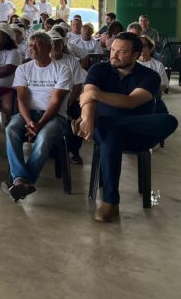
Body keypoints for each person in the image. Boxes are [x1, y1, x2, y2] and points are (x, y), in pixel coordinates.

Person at [74, 32, 177, 222]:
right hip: (106, 135)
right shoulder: (99, 69)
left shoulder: (150, 76)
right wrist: (87, 117)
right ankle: (110, 202)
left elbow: (131, 102)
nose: (113, 55)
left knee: (169, 121)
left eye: (121, 52)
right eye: (113, 49)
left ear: (135, 55)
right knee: (112, 135)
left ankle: (106, 122)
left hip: (137, 133)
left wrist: (96, 96)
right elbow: (88, 98)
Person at [2, 32, 72, 202]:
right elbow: (21, 98)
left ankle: (21, 181)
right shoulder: (23, 68)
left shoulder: (62, 69)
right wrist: (29, 121)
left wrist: (39, 124)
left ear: (49, 47)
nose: (32, 48)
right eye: (30, 45)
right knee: (11, 128)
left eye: (37, 44)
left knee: (44, 135)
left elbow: (56, 102)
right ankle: (22, 180)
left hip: (55, 116)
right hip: (28, 114)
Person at [48, 31, 88, 165]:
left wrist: (69, 102)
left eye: (57, 43)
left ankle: (74, 151)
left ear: (62, 44)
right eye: (52, 43)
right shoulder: (44, 60)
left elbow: (77, 85)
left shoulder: (72, 61)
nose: (55, 46)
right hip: (48, 101)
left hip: (70, 99)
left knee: (79, 116)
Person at [137, 35, 169, 107]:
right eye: (139, 46)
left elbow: (164, 85)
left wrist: (148, 91)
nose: (141, 48)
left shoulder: (158, 65)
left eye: (144, 46)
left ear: (150, 47)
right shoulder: (132, 63)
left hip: (153, 96)